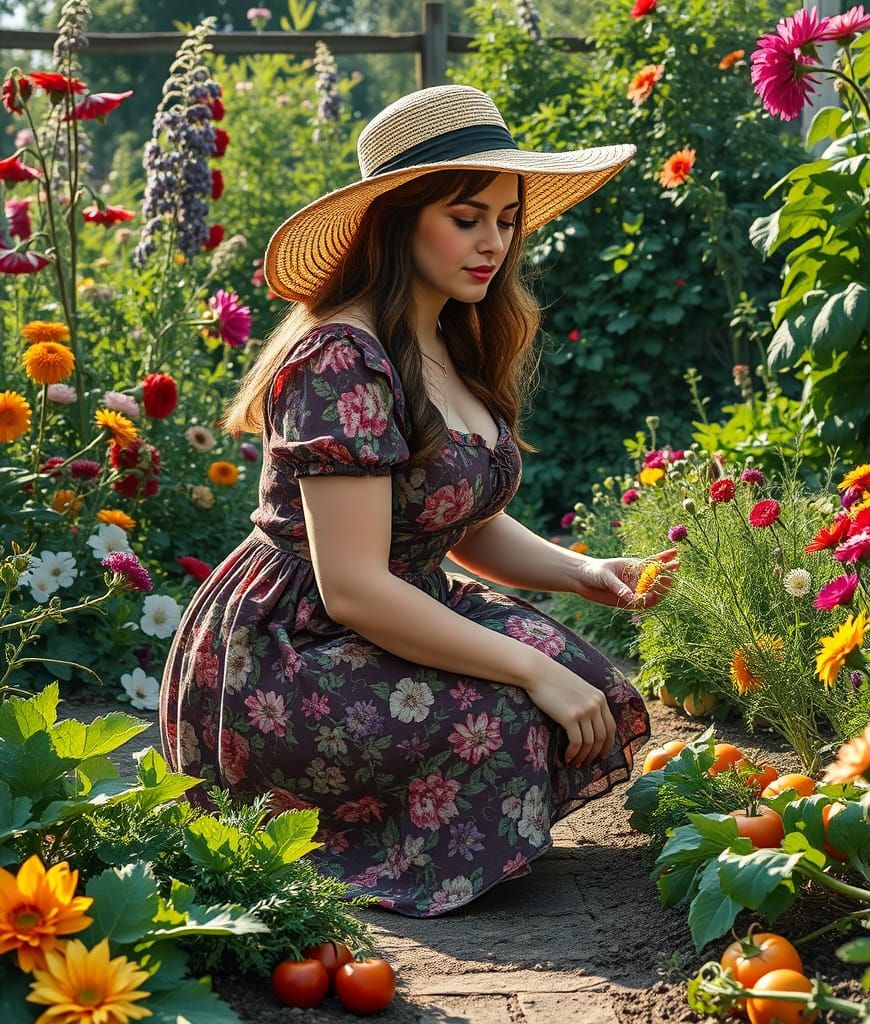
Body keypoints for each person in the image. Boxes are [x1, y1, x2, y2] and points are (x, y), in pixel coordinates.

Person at [159, 84, 678, 917]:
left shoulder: (444, 335)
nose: (494, 244)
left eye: (506, 221)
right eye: (467, 218)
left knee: (590, 684)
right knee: (515, 708)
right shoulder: (341, 358)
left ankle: (440, 822)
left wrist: (582, 570)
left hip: (395, 604)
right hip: (295, 649)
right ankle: (346, 840)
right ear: (397, 219)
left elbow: (458, 519)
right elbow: (354, 586)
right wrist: (529, 670)